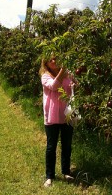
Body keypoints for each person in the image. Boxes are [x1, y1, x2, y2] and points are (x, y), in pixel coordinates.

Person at [39, 56, 75, 187]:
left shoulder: (68, 73)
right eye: (50, 60)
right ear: (46, 64)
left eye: (55, 58)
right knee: (51, 146)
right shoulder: (45, 76)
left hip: (67, 114)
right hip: (51, 115)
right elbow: (54, 86)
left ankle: (66, 172)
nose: (54, 61)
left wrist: (74, 78)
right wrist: (63, 71)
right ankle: (49, 176)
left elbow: (77, 85)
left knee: (67, 145)